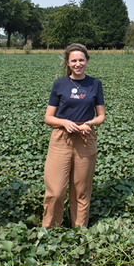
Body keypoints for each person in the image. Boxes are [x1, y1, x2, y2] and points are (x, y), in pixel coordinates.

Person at [42, 43, 105, 228]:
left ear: (87, 61)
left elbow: (101, 116)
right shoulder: (60, 84)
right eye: (74, 61)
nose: (78, 64)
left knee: (81, 190)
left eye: (81, 60)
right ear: (68, 63)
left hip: (85, 138)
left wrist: (90, 123)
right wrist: (64, 123)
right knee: (55, 190)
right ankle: (50, 229)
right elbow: (48, 117)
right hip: (61, 138)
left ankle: (79, 230)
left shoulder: (95, 84)